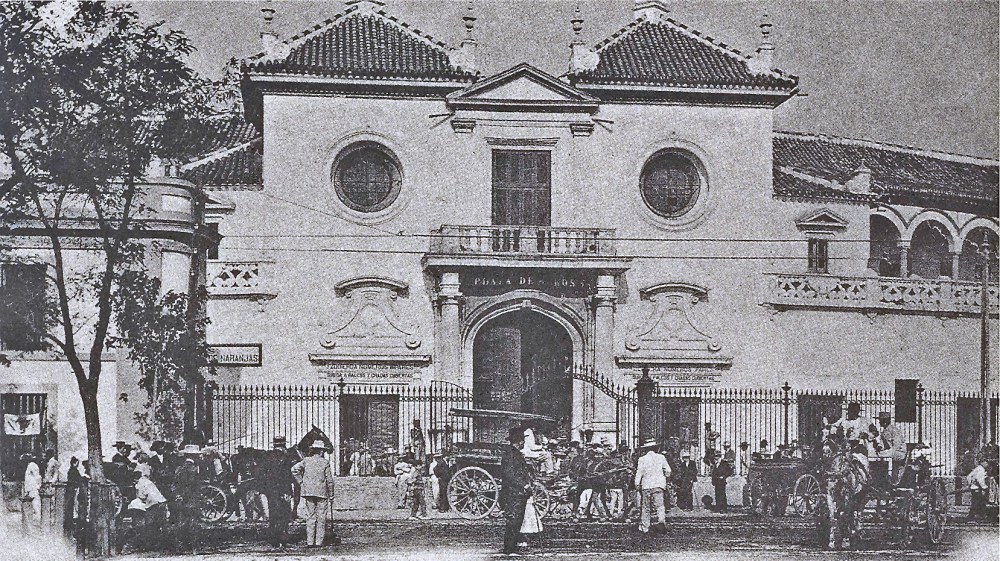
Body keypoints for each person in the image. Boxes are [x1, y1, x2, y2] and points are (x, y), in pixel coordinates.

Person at [291, 440, 336, 548]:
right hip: (322, 493)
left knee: (310, 517)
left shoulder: (306, 460)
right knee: (321, 518)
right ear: (321, 451)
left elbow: (294, 469)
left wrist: (301, 482)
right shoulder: (325, 462)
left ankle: (310, 542)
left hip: (308, 492)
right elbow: (329, 481)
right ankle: (318, 542)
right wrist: (331, 495)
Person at [500, 426, 532, 554]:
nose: (524, 442)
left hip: (518, 492)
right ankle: (509, 548)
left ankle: (512, 546)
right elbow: (510, 475)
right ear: (519, 441)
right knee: (513, 520)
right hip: (513, 492)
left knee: (517, 520)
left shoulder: (515, 453)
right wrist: (523, 485)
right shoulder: (510, 454)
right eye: (523, 440)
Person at [263, 436, 295, 548]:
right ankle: (283, 539)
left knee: (273, 513)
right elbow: (287, 476)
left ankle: (274, 539)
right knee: (284, 514)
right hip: (283, 490)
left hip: (271, 490)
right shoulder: (286, 458)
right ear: (283, 445)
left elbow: (264, 474)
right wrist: (289, 492)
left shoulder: (268, 457)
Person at [634, 439, 670, 533]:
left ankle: (645, 527)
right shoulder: (661, 457)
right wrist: (664, 477)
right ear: (656, 448)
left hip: (646, 485)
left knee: (646, 507)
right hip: (658, 485)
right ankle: (661, 522)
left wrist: (637, 483)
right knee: (660, 506)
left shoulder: (642, 459)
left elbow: (639, 472)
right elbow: (668, 471)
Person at [172, 445, 202, 553]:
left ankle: (180, 547)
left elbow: (174, 485)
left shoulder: (179, 468)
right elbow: (194, 486)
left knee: (181, 523)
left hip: (181, 501)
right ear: (194, 456)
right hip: (191, 500)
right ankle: (195, 548)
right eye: (197, 456)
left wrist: (178, 496)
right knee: (194, 523)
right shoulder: (193, 469)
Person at [133, 464, 168, 550]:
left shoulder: (140, 482)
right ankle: (162, 545)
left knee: (150, 526)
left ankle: (150, 546)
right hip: (161, 502)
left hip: (153, 504)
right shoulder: (149, 481)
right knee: (160, 525)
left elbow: (142, 496)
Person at [712, 443, 735, 513]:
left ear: (719, 456)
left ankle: (723, 508)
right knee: (717, 494)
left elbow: (730, 471)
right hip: (716, 481)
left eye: (717, 456)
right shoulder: (715, 463)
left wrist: (724, 476)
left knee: (722, 494)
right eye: (715, 456)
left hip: (722, 481)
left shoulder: (724, 463)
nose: (715, 457)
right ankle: (718, 507)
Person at [22, 453, 42, 531]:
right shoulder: (29, 466)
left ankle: (38, 525)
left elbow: (38, 477)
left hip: (33, 489)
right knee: (32, 508)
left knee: (36, 507)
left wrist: (38, 486)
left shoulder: (32, 465)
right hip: (30, 490)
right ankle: (33, 526)